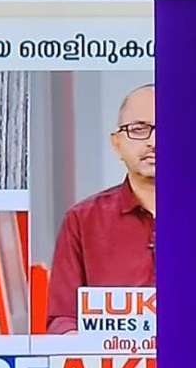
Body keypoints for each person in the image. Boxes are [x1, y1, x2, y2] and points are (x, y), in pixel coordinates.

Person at [46, 84, 156, 333]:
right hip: (105, 359)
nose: (153, 141)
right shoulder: (82, 220)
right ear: (117, 144)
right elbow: (61, 319)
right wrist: (77, 342)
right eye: (139, 129)